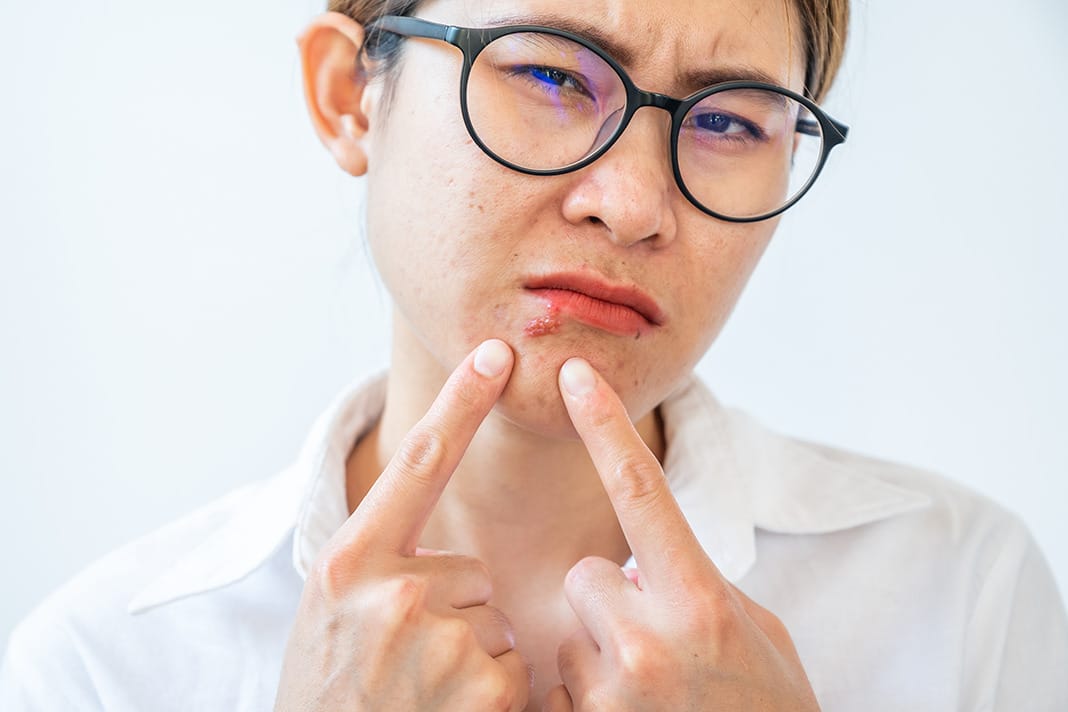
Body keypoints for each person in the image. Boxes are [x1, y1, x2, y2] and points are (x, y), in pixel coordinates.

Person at [2, 0, 1066, 709]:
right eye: (554, 76)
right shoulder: (103, 669)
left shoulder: (960, 592)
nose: (635, 204)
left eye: (731, 124)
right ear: (348, 96)